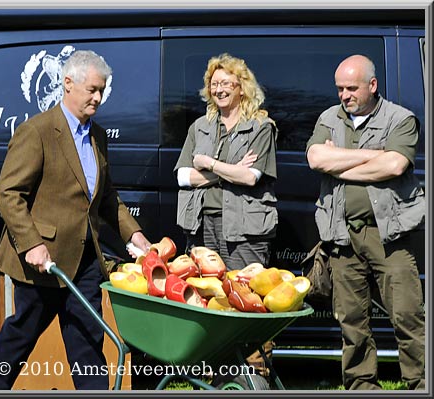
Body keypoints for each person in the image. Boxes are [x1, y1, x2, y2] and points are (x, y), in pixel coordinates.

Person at [0, 50, 151, 390]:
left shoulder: (98, 136)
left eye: (102, 90)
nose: (98, 98)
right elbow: (8, 193)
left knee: (88, 344)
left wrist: (135, 236)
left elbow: (105, 198)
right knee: (17, 341)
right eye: (92, 90)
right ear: (67, 84)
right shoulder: (38, 131)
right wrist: (32, 244)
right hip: (42, 264)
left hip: (85, 263)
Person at [306, 54, 425, 390]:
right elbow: (315, 158)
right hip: (341, 234)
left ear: (372, 85)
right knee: (351, 319)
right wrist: (376, 154)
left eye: (351, 88)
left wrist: (339, 164)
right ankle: (361, 386)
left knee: (407, 315)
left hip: (388, 234)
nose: (345, 95)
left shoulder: (400, 119)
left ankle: (421, 383)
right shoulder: (329, 117)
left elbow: (395, 167)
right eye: (340, 89)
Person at [173, 53, 278, 381]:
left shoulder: (261, 126)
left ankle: (253, 378)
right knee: (208, 299)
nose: (218, 89)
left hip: (245, 228)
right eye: (213, 84)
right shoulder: (199, 126)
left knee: (250, 299)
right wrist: (228, 171)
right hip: (203, 224)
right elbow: (182, 177)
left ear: (242, 87)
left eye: (225, 83)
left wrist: (209, 163)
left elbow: (251, 178)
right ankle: (214, 378)